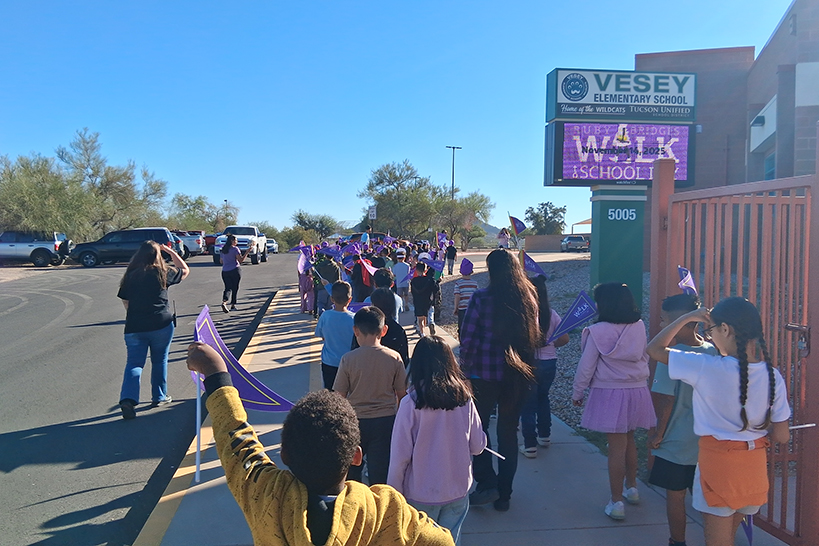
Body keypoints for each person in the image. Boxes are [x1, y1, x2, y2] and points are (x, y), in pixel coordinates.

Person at [185, 342, 455, 546]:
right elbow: (442, 541)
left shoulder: (267, 495)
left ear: (284, 455)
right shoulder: (385, 511)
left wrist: (216, 375)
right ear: (356, 457)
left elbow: (238, 444)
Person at [647, 297, 791, 546]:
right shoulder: (773, 376)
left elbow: (654, 349)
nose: (710, 336)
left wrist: (686, 318)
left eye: (710, 330)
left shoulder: (707, 367)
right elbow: (781, 436)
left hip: (718, 466)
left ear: (725, 329)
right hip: (753, 468)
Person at [459, 249, 541, 512]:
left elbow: (468, 338)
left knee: (478, 430)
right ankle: (504, 495)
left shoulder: (481, 298)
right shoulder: (528, 297)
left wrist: (464, 369)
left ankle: (487, 483)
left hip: (483, 375)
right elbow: (535, 334)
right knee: (508, 433)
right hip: (517, 375)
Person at [388, 336, 487, 545]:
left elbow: (400, 456)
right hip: (457, 490)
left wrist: (393, 494)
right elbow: (478, 446)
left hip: (420, 493)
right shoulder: (465, 398)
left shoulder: (410, 403)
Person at [572, 282, 656, 521]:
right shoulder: (639, 326)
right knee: (630, 440)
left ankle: (616, 501)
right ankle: (632, 488)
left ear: (604, 304)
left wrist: (578, 393)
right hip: (637, 390)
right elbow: (645, 355)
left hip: (610, 392)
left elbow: (586, 367)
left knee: (615, 449)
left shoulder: (596, 331)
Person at [647, 294, 719, 546]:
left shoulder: (674, 354)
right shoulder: (713, 350)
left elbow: (665, 400)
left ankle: (677, 541)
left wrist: (657, 434)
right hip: (707, 440)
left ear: (680, 323)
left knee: (675, 497)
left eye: (665, 321)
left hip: (676, 441)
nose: (660, 326)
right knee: (708, 499)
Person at [334, 307, 407, 485]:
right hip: (385, 421)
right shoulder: (394, 358)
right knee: (380, 473)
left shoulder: (348, 359)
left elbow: (339, 396)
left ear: (355, 330)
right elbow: (402, 395)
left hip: (355, 421)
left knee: (352, 473)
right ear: (384, 330)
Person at [117, 240, 190, 419]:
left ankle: (128, 399)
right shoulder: (163, 272)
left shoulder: (131, 275)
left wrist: (135, 314)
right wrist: (170, 252)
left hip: (135, 326)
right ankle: (159, 396)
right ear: (158, 255)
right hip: (161, 324)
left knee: (134, 363)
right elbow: (185, 270)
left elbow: (125, 301)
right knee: (159, 360)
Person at [519, 275, 569, 458]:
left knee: (528, 403)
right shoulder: (552, 313)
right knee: (543, 398)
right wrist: (549, 343)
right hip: (549, 362)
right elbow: (565, 338)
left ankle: (530, 444)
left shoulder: (524, 314)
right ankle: (545, 435)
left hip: (529, 362)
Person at [314, 281, 355, 390]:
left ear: (332, 299)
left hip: (329, 362)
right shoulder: (354, 318)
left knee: (330, 392)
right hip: (349, 362)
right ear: (349, 299)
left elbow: (321, 335)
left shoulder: (325, 316)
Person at [353, 288, 409, 367]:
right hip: (391, 374)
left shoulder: (364, 326)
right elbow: (404, 360)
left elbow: (354, 351)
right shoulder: (398, 330)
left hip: (365, 371)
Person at [220, 234, 255, 313]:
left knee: (227, 288)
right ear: (232, 241)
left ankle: (224, 302)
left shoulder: (223, 249)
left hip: (225, 271)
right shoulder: (235, 249)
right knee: (235, 287)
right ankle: (233, 305)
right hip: (235, 270)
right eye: (236, 240)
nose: (237, 242)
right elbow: (241, 260)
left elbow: (221, 261)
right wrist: (247, 252)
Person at [452, 258, 478, 338]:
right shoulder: (475, 283)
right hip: (472, 309)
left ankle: (463, 343)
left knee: (462, 328)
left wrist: (456, 308)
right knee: (472, 327)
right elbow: (477, 297)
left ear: (460, 271)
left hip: (462, 309)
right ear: (471, 272)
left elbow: (457, 296)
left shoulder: (458, 283)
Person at [410, 262, 436, 337]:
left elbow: (412, 292)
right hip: (427, 300)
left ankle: (422, 333)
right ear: (425, 270)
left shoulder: (413, 281)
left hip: (418, 301)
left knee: (420, 319)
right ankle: (431, 322)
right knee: (428, 313)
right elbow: (435, 289)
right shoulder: (430, 279)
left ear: (416, 270)